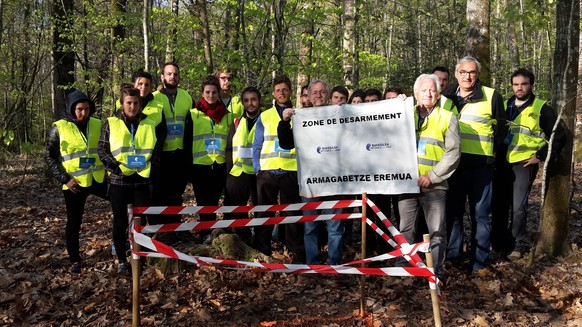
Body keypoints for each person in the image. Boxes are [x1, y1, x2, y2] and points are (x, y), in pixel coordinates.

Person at [442, 56, 507, 273]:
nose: (467, 76)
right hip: (454, 166)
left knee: (480, 214)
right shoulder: (446, 96)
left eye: (471, 72)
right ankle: (454, 257)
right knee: (453, 212)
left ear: (477, 74)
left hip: (481, 167)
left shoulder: (491, 96)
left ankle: (479, 262)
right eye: (463, 72)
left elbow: (501, 131)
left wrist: (490, 157)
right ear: (456, 74)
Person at [494, 68, 565, 259]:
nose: (519, 88)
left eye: (524, 84)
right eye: (516, 84)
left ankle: (516, 244)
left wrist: (540, 156)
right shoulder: (504, 105)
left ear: (531, 85)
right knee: (500, 205)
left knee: (518, 207)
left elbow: (559, 135)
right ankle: (499, 243)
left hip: (524, 164)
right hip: (502, 163)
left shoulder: (541, 108)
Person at [397, 74, 460, 283]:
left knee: (436, 232)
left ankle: (436, 272)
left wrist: (432, 176)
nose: (428, 93)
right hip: (407, 184)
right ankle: (405, 269)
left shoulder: (447, 117)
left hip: (435, 186)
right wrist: (394, 106)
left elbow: (453, 153)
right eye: (423, 90)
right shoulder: (404, 115)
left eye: (432, 90)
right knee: (406, 229)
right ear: (415, 94)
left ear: (439, 93)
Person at [98, 86, 166, 274]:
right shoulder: (111, 123)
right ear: (122, 104)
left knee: (140, 221)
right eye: (129, 103)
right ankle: (121, 259)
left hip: (142, 180)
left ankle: (140, 256)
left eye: (136, 103)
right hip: (119, 181)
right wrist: (117, 168)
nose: (133, 107)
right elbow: (102, 150)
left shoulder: (150, 123)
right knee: (119, 221)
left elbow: (157, 149)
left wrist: (153, 165)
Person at [278, 79, 345, 266]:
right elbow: (285, 143)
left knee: (335, 227)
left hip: (335, 181)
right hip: (310, 182)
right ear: (308, 96)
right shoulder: (301, 117)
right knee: (310, 227)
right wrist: (284, 122)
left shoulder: (340, 115)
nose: (318, 95)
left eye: (322, 92)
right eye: (314, 92)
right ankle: (313, 265)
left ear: (328, 95)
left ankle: (335, 265)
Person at [45, 90, 108, 273]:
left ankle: (122, 245)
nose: (84, 113)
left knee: (120, 204)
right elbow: (50, 157)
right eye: (80, 109)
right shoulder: (59, 127)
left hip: (97, 179)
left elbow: (106, 147)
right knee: (74, 221)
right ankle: (75, 259)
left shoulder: (97, 124)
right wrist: (65, 179)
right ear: (72, 109)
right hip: (75, 183)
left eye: (87, 109)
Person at [252, 74, 305, 262]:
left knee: (292, 214)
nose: (281, 93)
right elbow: (257, 144)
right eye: (278, 90)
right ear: (273, 94)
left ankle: (295, 250)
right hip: (267, 172)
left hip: (291, 172)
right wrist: (257, 167)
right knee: (264, 212)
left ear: (290, 91)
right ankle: (262, 247)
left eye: (284, 90)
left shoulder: (299, 115)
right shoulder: (264, 116)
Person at [184, 75, 231, 243]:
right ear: (202, 93)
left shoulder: (227, 115)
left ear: (219, 93)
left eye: (214, 92)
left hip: (219, 165)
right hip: (200, 166)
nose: (211, 96)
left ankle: (214, 233)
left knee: (214, 200)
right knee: (203, 203)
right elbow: (187, 141)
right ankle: (205, 233)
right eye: (207, 92)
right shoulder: (193, 114)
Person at [152, 63, 192, 225]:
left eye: (175, 74)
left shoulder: (186, 97)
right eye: (169, 74)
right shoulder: (154, 97)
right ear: (162, 77)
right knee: (160, 192)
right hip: (162, 153)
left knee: (177, 193)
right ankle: (160, 227)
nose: (172, 77)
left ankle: (175, 226)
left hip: (180, 153)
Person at [224, 87, 262, 244]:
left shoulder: (265, 120)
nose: (250, 103)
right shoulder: (236, 122)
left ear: (259, 101)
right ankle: (241, 238)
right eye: (246, 100)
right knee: (237, 209)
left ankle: (260, 240)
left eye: (253, 100)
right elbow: (229, 148)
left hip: (259, 173)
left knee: (261, 209)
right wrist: (229, 171)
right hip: (238, 172)